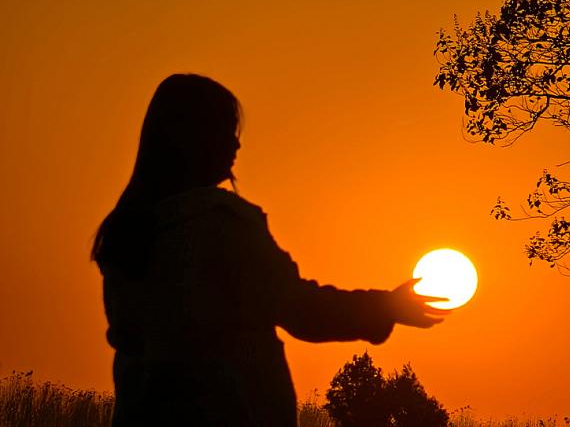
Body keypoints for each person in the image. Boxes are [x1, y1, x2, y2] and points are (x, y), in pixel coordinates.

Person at [91, 73, 448, 427]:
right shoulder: (223, 225)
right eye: (226, 131)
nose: (236, 145)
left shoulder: (126, 232)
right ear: (194, 138)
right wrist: (386, 306)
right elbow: (297, 306)